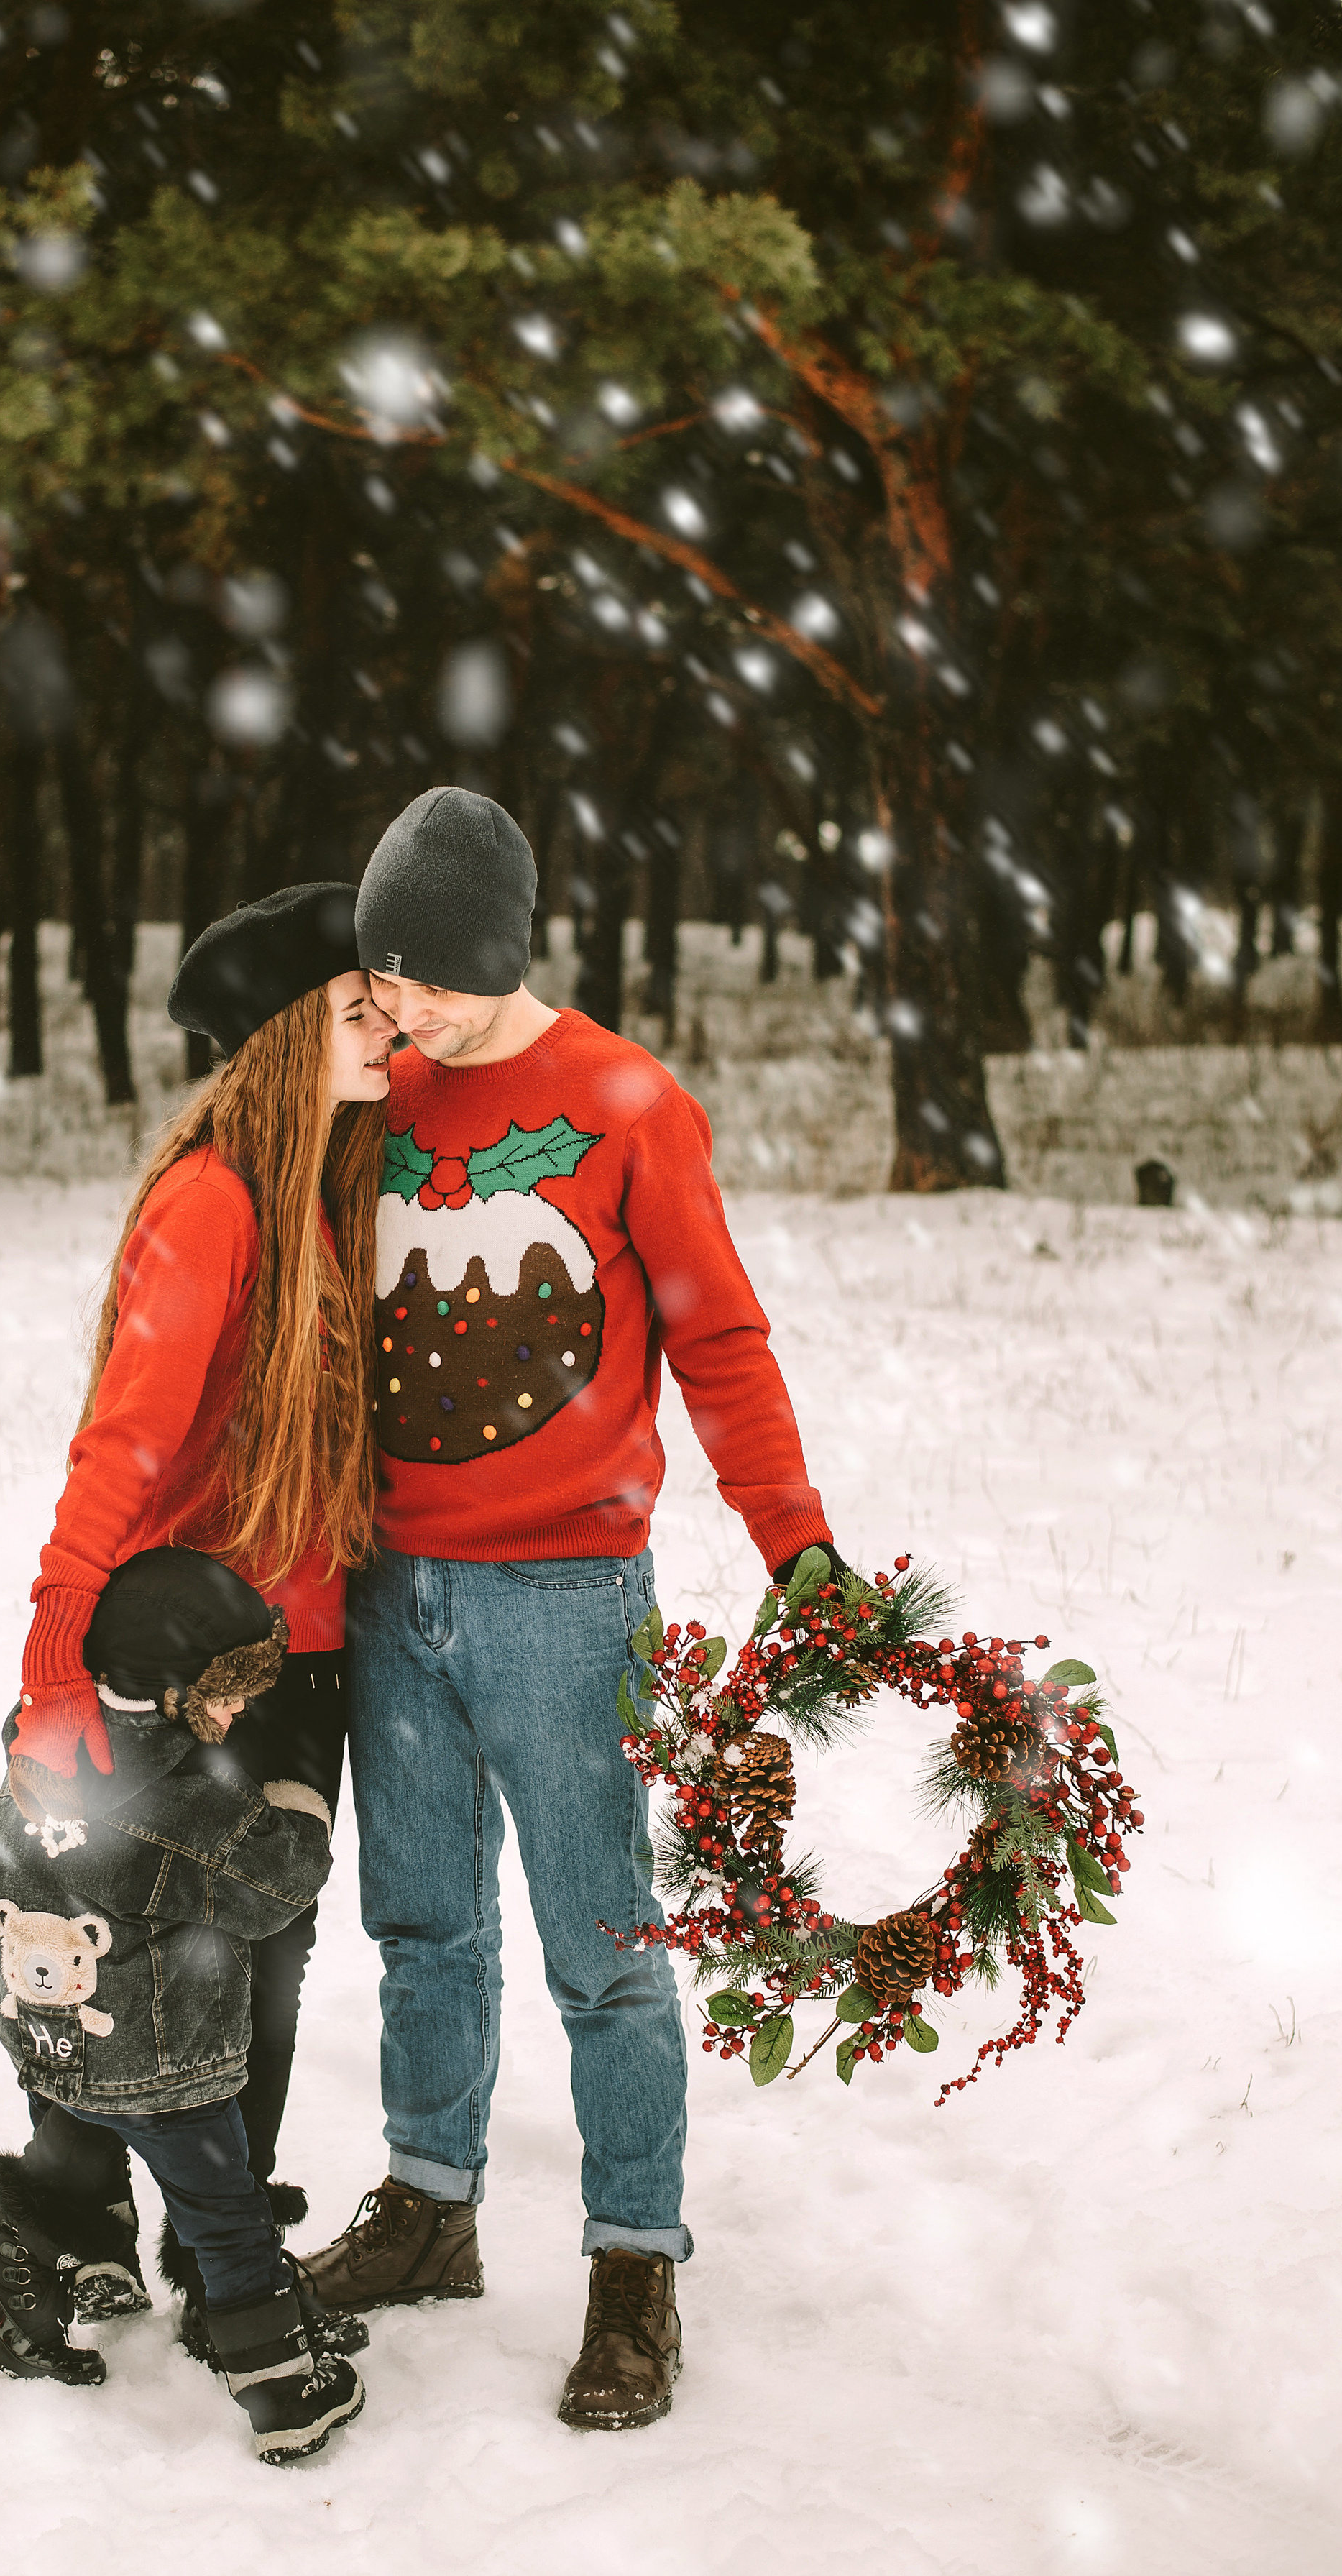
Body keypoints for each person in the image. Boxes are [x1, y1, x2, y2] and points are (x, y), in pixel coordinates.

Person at [296, 787, 845, 2432]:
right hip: (394, 1587)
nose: (404, 1015)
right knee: (421, 1928)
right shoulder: (376, 1094)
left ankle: (629, 2261)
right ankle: (427, 2199)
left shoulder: (621, 1102)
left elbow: (721, 1341)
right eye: (382, 983)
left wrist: (794, 1543)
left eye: (429, 986)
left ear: (498, 955)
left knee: (603, 1952)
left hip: (565, 1601)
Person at [0, 882, 395, 2336]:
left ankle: (149, 2226)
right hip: (197, 1671)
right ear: (288, 1035)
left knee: (256, 1964)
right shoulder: (216, 1201)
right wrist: (54, 1665)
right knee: (184, 1967)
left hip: (295, 1654)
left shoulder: (321, 1191)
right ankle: (156, 2248)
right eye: (356, 1011)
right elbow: (122, 1445)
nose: (386, 1032)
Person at [0, 1549, 366, 2464]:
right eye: (228, 1694)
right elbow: (278, 1885)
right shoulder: (182, 1802)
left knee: (70, 2155)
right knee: (222, 2208)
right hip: (164, 2065)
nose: (241, 1714)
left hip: (51, 2040)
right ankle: (285, 2388)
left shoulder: (37, 1751)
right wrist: (297, 1801)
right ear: (173, 1691)